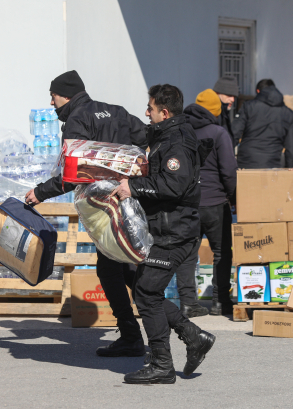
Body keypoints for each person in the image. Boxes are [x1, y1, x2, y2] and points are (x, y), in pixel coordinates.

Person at [24, 70, 149, 357]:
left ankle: (143, 332)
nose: (52, 103)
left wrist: (40, 192)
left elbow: (73, 174)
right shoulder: (115, 111)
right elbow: (146, 137)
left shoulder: (76, 120)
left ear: (66, 95)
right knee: (127, 264)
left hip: (102, 207)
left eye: (53, 96)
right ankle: (153, 327)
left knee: (110, 268)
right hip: (128, 199)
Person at [113, 84, 215, 385]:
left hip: (175, 232)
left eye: (151, 108)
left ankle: (162, 364)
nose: (147, 112)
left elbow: (174, 184)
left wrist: (134, 187)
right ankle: (193, 336)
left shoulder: (178, 142)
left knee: (146, 294)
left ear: (164, 112)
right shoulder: (166, 136)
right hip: (166, 228)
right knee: (147, 290)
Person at [182, 89, 237, 316]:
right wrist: (234, 197)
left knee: (187, 253)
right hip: (215, 203)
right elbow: (228, 171)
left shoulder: (181, 131)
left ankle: (187, 302)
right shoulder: (218, 133)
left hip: (187, 202)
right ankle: (220, 302)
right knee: (221, 252)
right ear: (215, 110)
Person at [233, 79, 293, 169]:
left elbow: (234, 134)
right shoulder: (288, 113)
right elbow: (291, 149)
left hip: (246, 162)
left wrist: (226, 162)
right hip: (272, 164)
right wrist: (291, 172)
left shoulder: (248, 106)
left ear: (258, 91)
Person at [212, 76, 239, 140]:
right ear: (217, 93)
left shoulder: (224, 112)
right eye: (229, 95)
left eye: (234, 96)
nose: (232, 100)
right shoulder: (214, 114)